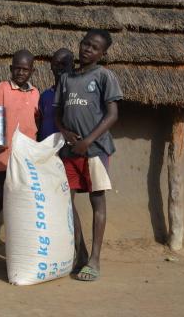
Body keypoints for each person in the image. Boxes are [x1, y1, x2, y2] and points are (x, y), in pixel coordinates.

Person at [54, 29, 123, 282]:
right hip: (70, 151)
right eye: (86, 44)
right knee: (66, 202)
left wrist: (88, 141)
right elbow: (58, 113)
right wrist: (64, 132)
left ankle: (94, 259)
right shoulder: (66, 78)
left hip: (95, 150)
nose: (87, 50)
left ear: (102, 53)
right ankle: (80, 253)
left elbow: (112, 114)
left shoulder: (105, 76)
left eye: (94, 47)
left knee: (97, 201)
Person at [0, 50, 40, 269]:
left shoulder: (35, 94)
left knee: (23, 208)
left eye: (25, 69)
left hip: (26, 163)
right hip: (3, 159)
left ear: (32, 70)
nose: (21, 72)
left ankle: (20, 255)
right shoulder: (2, 88)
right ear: (11, 68)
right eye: (17, 68)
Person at [38, 48, 74, 141]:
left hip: (70, 150)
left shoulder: (79, 94)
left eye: (64, 64)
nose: (60, 67)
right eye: (56, 64)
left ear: (72, 66)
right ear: (51, 66)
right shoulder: (44, 96)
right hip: (46, 151)